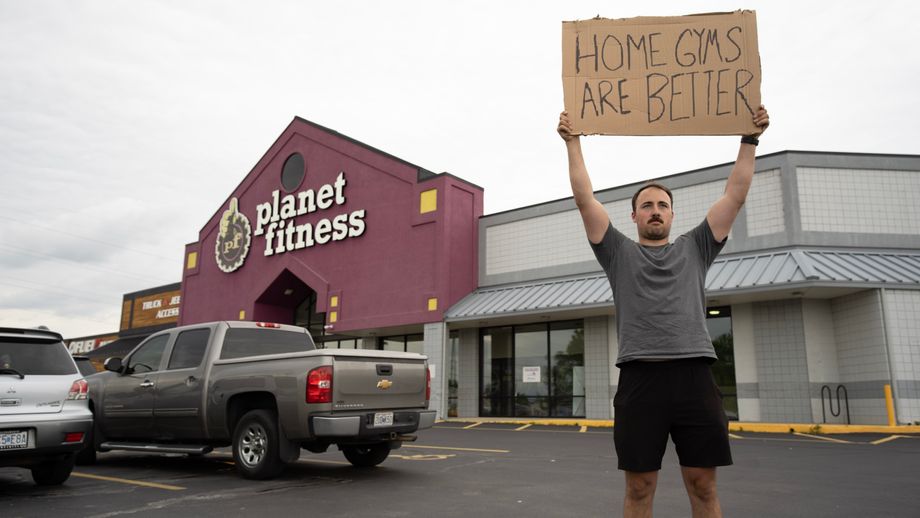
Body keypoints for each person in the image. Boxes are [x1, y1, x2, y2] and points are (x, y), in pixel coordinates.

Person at [557, 106, 770, 518]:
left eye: (662, 204)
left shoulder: (696, 247)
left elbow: (735, 194)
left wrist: (750, 139)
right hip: (640, 380)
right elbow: (585, 198)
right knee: (639, 488)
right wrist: (572, 141)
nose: (655, 210)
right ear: (633, 216)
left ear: (673, 215)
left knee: (703, 486)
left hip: (694, 377)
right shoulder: (617, 252)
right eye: (647, 205)